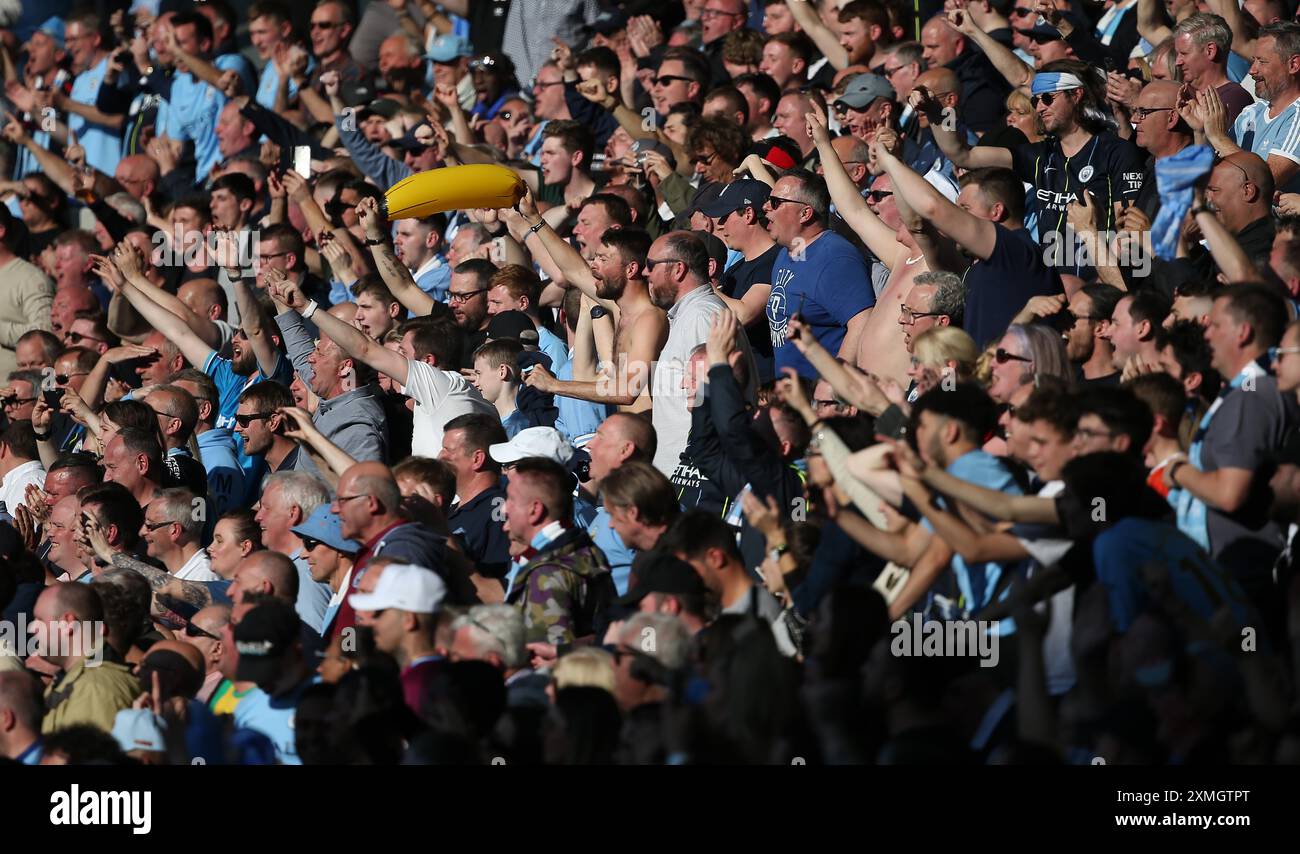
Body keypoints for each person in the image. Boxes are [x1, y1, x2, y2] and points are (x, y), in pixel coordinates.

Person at [763, 169, 874, 380]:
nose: (766, 207)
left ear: (805, 213)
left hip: (821, 400)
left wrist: (835, 385)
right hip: (793, 399)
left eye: (775, 202)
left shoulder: (835, 258)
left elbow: (862, 323)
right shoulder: (786, 253)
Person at [502, 457, 616, 646]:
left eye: (512, 499)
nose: (505, 508)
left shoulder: (547, 575)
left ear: (535, 510)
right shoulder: (581, 547)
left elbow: (552, 662)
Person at [33, 584, 140, 734]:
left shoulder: (97, 689)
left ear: (68, 624)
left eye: (40, 620)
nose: (32, 628)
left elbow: (91, 756)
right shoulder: (68, 681)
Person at [349, 562, 447, 719]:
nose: (373, 622)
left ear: (409, 620)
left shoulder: (417, 685)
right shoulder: (424, 676)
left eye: (379, 614)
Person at [439, 413, 512, 581]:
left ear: (477, 459)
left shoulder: (498, 512)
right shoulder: (451, 509)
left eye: (447, 450)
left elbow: (498, 578)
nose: (440, 456)